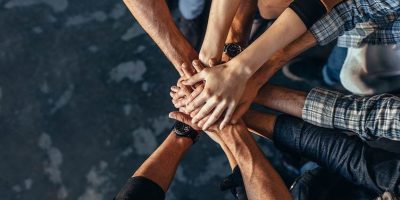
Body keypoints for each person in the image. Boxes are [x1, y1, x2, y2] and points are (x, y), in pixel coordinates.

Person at [181, 0, 400, 130]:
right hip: (372, 11)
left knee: (351, 77)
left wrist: (246, 77)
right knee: (268, 7)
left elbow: (376, 118)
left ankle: (328, 75)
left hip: (387, 33)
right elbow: (355, 9)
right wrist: (209, 54)